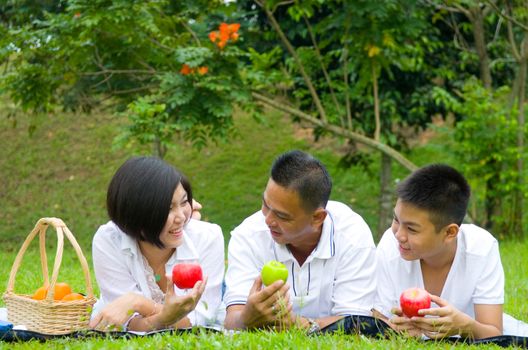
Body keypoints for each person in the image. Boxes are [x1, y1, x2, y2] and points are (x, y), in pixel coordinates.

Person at [223, 150, 377, 332]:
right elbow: (232, 319)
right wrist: (246, 318)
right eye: (265, 204)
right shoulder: (249, 235)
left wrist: (298, 324)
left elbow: (356, 325)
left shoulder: (352, 237)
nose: (268, 220)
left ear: (317, 218)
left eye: (282, 216)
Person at [89, 156, 224, 332]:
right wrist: (165, 317)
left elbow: (201, 317)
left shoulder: (208, 237)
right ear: (138, 214)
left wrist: (139, 304)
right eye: (168, 208)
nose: (182, 217)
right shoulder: (109, 241)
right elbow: (125, 323)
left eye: (184, 202)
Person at [374, 163, 507, 340]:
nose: (399, 235)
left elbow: (494, 333)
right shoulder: (390, 245)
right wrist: (395, 329)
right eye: (396, 219)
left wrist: (464, 326)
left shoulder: (481, 249)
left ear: (449, 232)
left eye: (412, 229)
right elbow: (378, 322)